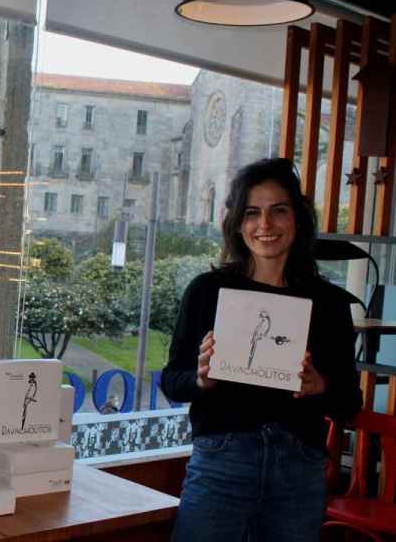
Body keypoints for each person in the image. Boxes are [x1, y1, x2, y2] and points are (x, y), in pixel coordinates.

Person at [160, 158, 360, 542]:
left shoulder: (331, 303)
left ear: (298, 220)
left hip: (300, 467)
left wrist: (321, 386)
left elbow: (350, 401)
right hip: (222, 463)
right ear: (237, 223)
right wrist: (201, 379)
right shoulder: (207, 291)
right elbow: (172, 381)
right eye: (252, 213)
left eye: (278, 211)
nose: (265, 225)